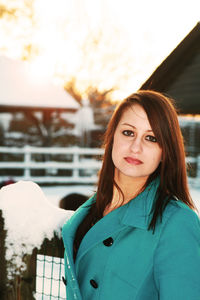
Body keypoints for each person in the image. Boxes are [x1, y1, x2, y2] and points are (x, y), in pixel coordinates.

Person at [62, 90, 200, 300]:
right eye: (128, 133)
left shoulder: (177, 222)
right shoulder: (89, 212)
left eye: (151, 138)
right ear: (112, 137)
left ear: (165, 152)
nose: (136, 147)